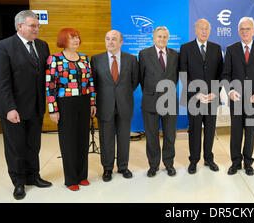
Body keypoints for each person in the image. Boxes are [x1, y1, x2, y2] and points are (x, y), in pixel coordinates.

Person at [0, 10, 52, 200]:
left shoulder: (43, 46)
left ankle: (33, 176)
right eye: (33, 26)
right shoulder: (4, 47)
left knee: (33, 145)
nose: (37, 29)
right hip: (14, 109)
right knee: (16, 147)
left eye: (38, 26)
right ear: (20, 26)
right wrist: (10, 107)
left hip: (36, 107)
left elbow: (46, 78)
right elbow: (3, 82)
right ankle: (18, 182)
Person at [46, 28, 96, 191]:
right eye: (72, 38)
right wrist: (53, 109)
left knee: (83, 139)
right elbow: (50, 85)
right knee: (68, 141)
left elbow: (90, 83)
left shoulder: (84, 58)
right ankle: (71, 179)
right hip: (65, 103)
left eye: (77, 38)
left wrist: (93, 103)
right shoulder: (55, 59)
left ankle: (82, 176)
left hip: (84, 101)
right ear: (63, 40)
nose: (76, 40)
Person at [221, 17, 254, 176]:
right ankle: (235, 163)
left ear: (253, 31)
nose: (245, 32)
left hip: (253, 100)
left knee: (250, 132)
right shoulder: (231, 49)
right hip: (235, 100)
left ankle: (248, 163)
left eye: (248, 29)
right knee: (236, 132)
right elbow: (225, 75)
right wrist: (229, 91)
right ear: (238, 31)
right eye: (242, 29)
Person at [91, 30, 139, 182]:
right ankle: (107, 168)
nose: (110, 42)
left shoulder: (131, 59)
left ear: (121, 42)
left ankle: (123, 167)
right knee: (106, 139)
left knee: (124, 138)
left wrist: (121, 93)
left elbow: (135, 81)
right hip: (105, 105)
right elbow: (94, 83)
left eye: (114, 39)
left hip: (125, 104)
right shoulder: (96, 59)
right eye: (107, 39)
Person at [179, 19, 223, 174]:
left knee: (210, 130)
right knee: (195, 130)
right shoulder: (185, 48)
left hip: (211, 98)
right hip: (194, 99)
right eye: (201, 28)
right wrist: (197, 94)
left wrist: (215, 92)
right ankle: (194, 160)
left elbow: (221, 73)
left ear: (209, 31)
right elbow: (183, 75)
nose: (204, 31)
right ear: (195, 30)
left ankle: (209, 159)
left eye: (206, 28)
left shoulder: (216, 48)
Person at [139, 26, 179, 177]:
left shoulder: (175, 54)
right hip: (150, 100)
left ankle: (169, 164)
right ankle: (153, 165)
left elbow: (176, 77)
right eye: (159, 36)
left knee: (170, 135)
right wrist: (151, 92)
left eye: (164, 37)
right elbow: (142, 78)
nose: (162, 39)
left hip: (169, 100)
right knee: (151, 136)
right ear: (154, 38)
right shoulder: (144, 54)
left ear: (168, 39)